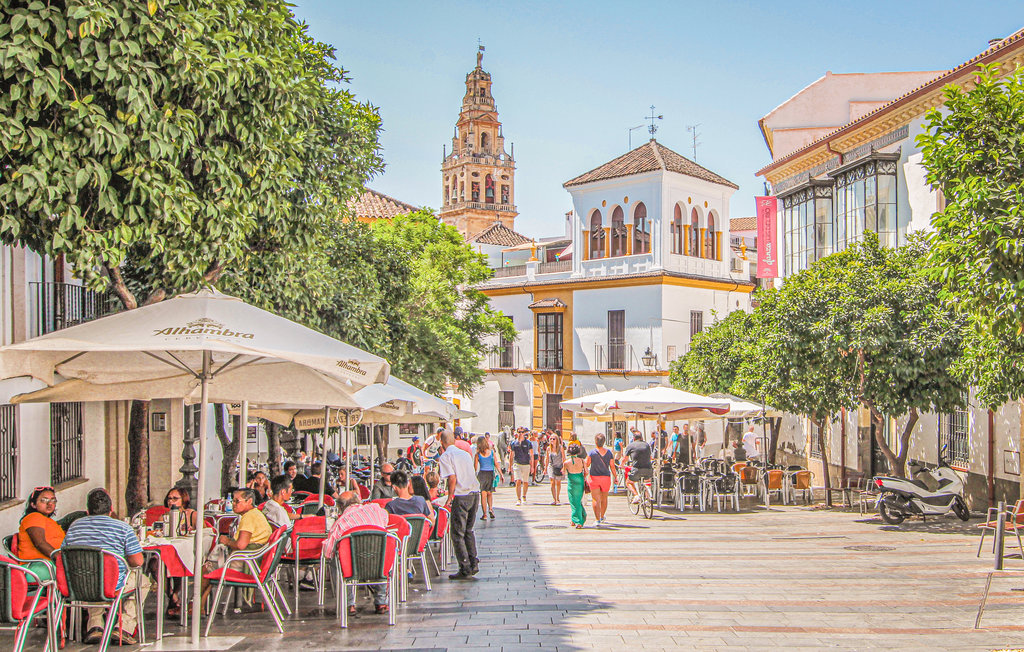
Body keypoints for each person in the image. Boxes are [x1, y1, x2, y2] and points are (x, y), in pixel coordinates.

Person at [63, 488, 150, 646]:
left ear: (87, 511)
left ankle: (95, 626)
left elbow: (64, 552)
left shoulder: (74, 526)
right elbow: (138, 562)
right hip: (112, 585)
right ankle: (124, 628)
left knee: (90, 575)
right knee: (142, 581)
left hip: (80, 584)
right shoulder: (123, 528)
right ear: (111, 510)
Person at [201, 488, 273, 608]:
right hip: (257, 558)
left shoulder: (248, 517)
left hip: (246, 560)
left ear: (249, 501)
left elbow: (241, 545)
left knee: (206, 568)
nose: (233, 504)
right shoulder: (256, 514)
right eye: (233, 501)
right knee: (211, 565)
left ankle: (197, 604)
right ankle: (200, 604)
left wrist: (227, 541)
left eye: (237, 501)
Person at [323, 492, 390, 616]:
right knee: (383, 551)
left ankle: (349, 604)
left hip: (352, 566)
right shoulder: (375, 509)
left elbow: (328, 551)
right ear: (358, 500)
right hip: (378, 563)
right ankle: (381, 601)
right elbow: (386, 519)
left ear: (341, 507)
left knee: (335, 560)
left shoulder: (341, 522)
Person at [438, 430, 479, 580]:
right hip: (474, 493)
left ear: (442, 443)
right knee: (469, 530)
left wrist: (450, 497)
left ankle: (464, 566)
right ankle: (474, 562)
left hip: (461, 496)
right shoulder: (465, 454)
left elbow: (452, 478)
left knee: (457, 533)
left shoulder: (446, 456)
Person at [18, 486, 64, 582]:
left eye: (53, 500)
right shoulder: (34, 517)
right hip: (36, 567)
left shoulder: (48, 521)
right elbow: (40, 543)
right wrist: (59, 558)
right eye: (44, 500)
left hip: (48, 564)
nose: (49, 504)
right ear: (33, 504)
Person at [585, 434, 615, 524]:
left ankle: (597, 519)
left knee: (595, 499)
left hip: (594, 478)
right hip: (606, 478)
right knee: (604, 499)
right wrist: (616, 477)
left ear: (595, 441)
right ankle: (602, 516)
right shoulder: (609, 453)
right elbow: (612, 466)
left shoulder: (592, 452)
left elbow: (587, 464)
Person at [474, 435, 502, 520]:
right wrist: (501, 474)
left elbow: (475, 467)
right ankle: (490, 509)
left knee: (483, 494)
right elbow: (496, 464)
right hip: (490, 474)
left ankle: (484, 514)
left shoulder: (478, 454)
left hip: (482, 474)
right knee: (490, 493)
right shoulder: (491, 452)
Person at [623, 432, 654, 503]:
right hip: (648, 469)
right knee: (647, 482)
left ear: (634, 438)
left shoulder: (630, 445)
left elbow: (625, 458)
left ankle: (636, 495)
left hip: (637, 469)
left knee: (628, 482)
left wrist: (622, 465)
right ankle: (647, 497)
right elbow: (650, 456)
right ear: (641, 438)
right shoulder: (646, 445)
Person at [564, 444, 587, 529]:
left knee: (573, 501)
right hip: (580, 480)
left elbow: (564, 472)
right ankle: (574, 519)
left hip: (572, 481)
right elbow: (587, 472)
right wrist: (583, 477)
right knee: (577, 500)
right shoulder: (582, 460)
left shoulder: (566, 462)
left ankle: (579, 521)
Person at [509, 429, 534, 506]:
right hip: (517, 463)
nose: (520, 433)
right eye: (519, 432)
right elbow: (511, 455)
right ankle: (518, 499)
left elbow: (531, 454)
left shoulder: (528, 443)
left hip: (526, 464)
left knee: (525, 482)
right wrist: (510, 466)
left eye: (522, 432)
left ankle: (524, 496)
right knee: (518, 481)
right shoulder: (514, 443)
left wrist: (532, 466)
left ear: (524, 433)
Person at [547, 435, 565, 506]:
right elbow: (547, 459)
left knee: (558, 482)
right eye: (550, 439)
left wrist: (564, 467)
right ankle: (554, 499)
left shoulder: (560, 448)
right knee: (552, 482)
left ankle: (557, 498)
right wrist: (545, 469)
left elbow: (563, 458)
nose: (552, 440)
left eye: (553, 439)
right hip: (551, 466)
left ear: (557, 440)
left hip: (559, 466)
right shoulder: (548, 448)